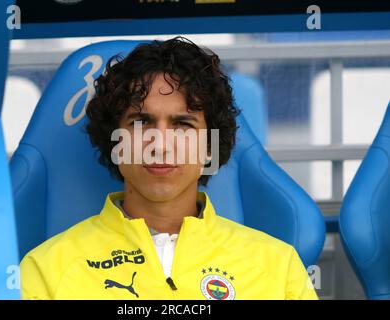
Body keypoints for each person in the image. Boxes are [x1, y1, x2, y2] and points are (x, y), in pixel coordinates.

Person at [20, 36, 318, 300]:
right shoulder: (44, 271)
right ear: (115, 141)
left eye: (182, 124)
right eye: (141, 123)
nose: (160, 145)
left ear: (209, 146)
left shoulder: (279, 268)